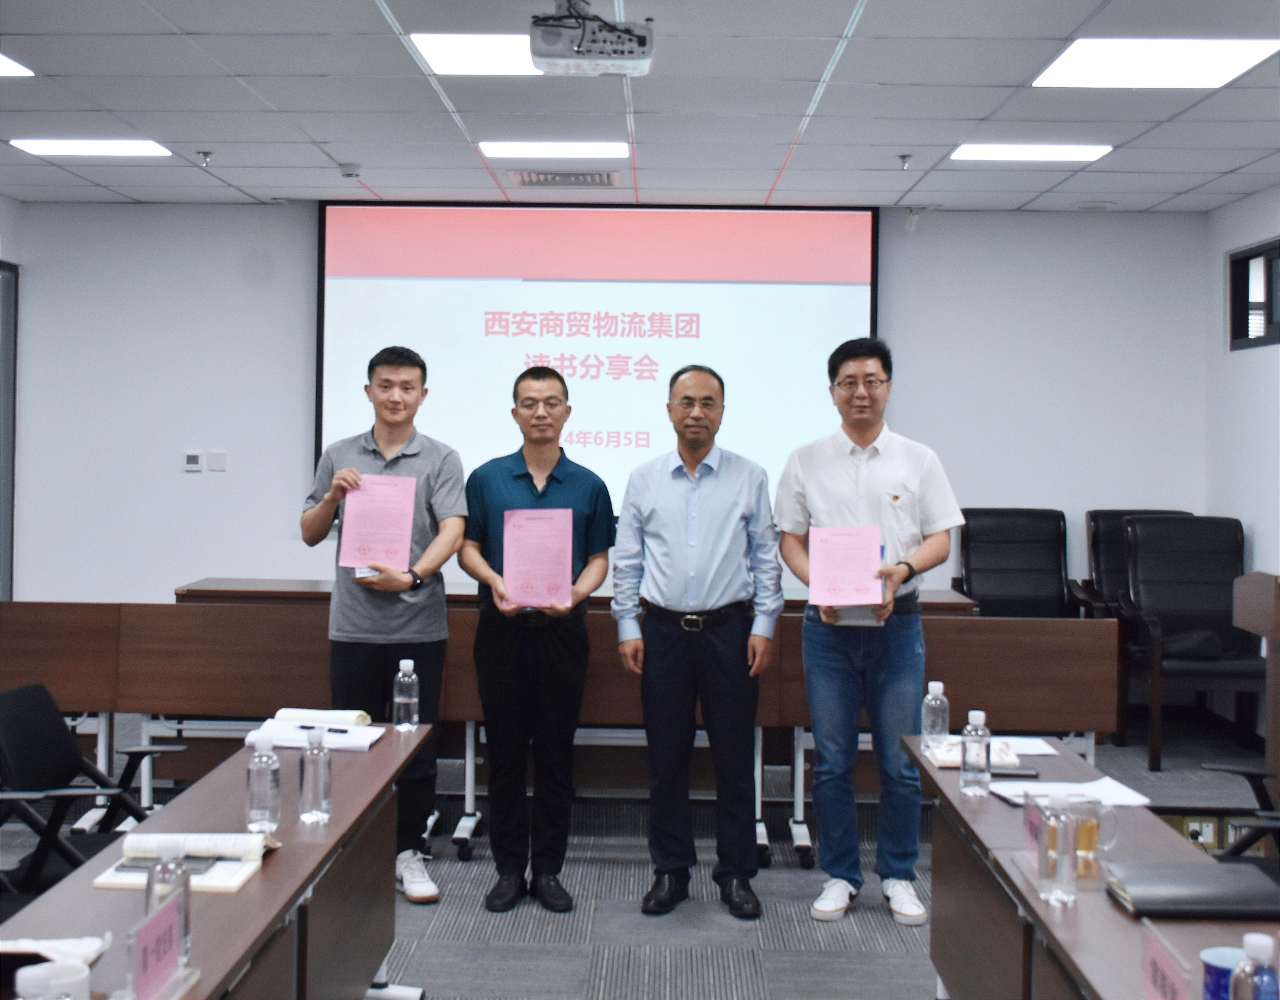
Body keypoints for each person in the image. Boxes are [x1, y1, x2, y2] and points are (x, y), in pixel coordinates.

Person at [775, 337, 963, 926]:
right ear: (833, 391)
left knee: (899, 761)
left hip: (896, 625)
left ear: (888, 387)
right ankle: (840, 874)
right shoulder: (805, 460)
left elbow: (940, 538)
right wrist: (820, 586)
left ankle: (899, 875)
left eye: (872, 381)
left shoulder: (918, 459)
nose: (861, 392)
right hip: (827, 629)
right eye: (849, 382)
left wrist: (902, 569)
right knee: (832, 760)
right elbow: (790, 540)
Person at [612, 365, 783, 921]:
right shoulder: (643, 478)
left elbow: (765, 559)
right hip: (662, 633)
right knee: (667, 760)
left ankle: (736, 875)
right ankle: (671, 871)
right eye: (686, 401)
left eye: (708, 402)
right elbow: (628, 560)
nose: (696, 412)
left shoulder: (750, 476)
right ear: (669, 410)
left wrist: (764, 625)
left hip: (730, 633)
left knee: (734, 759)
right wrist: (628, 625)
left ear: (722, 411)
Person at [301, 345, 467, 906]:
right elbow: (310, 531)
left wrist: (413, 576)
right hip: (353, 626)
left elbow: (452, 530)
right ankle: (354, 850)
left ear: (423, 394)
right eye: (386, 385)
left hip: (418, 625)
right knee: (352, 744)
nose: (396, 396)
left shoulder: (441, 458)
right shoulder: (339, 454)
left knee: (413, 747)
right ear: (369, 390)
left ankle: (408, 852)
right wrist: (333, 496)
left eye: (407, 387)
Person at [458, 366, 615, 914]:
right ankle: (507, 870)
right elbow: (469, 548)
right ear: (515, 413)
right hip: (501, 629)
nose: (541, 412)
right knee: (503, 753)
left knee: (555, 754)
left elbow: (598, 559)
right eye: (529, 402)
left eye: (551, 402)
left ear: (567, 411)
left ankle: (548, 870)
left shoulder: (589, 484)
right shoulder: (487, 479)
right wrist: (494, 580)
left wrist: (575, 593)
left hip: (562, 632)